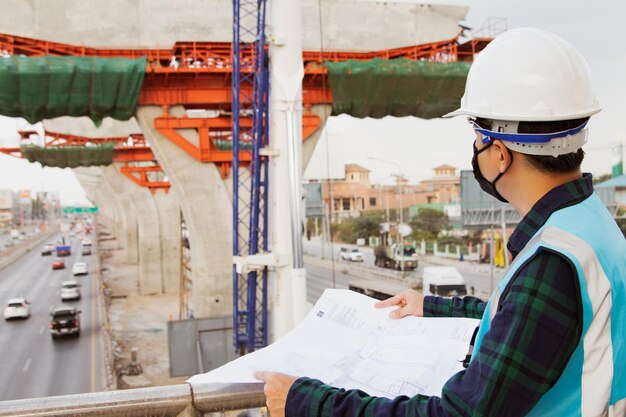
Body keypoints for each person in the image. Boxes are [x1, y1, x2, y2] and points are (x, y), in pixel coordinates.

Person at [255, 28, 626, 416]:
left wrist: (307, 402)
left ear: (499, 154)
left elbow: (458, 413)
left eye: (477, 137)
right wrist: (431, 307)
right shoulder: (590, 223)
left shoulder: (553, 260)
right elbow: (532, 326)